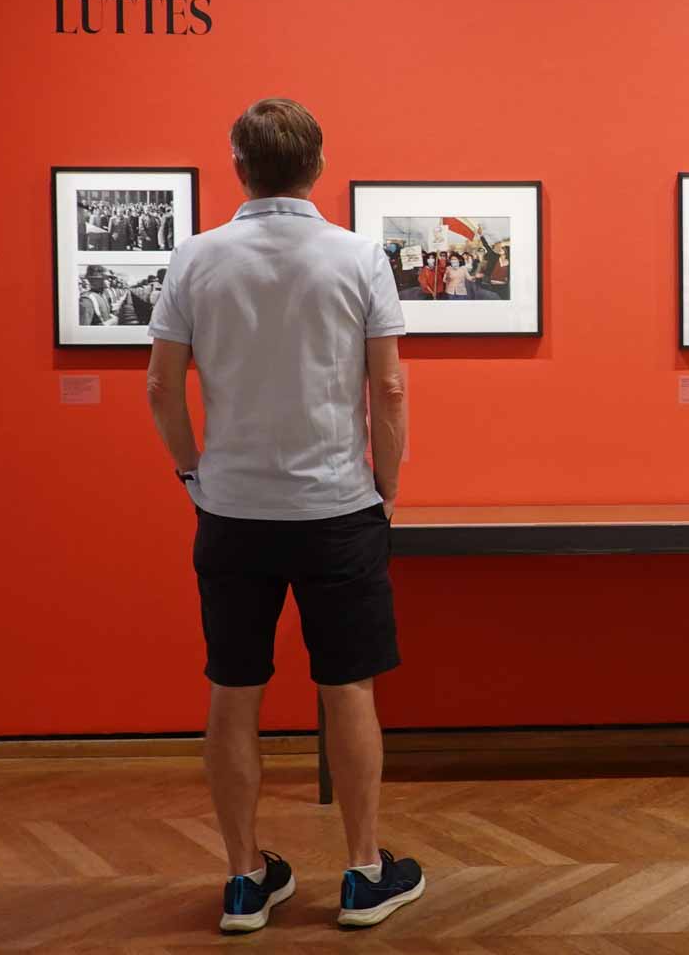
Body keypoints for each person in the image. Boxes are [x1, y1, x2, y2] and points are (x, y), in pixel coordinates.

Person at [145, 98, 424, 934]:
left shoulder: (195, 257)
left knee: (233, 690)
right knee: (348, 687)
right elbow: (389, 387)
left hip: (232, 509)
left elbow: (161, 386)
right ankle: (364, 873)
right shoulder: (357, 256)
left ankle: (244, 880)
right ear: (319, 165)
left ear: (238, 167)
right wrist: (386, 485)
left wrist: (192, 471)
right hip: (337, 505)